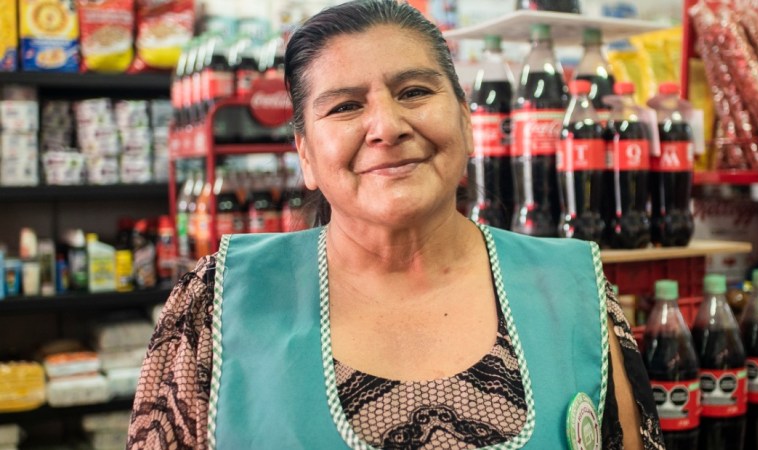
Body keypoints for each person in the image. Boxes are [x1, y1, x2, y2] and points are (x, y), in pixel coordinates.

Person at [128, 1, 662, 448]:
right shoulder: (217, 304)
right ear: (305, 155)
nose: (387, 126)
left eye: (414, 92)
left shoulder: (573, 290)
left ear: (466, 122)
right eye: (345, 106)